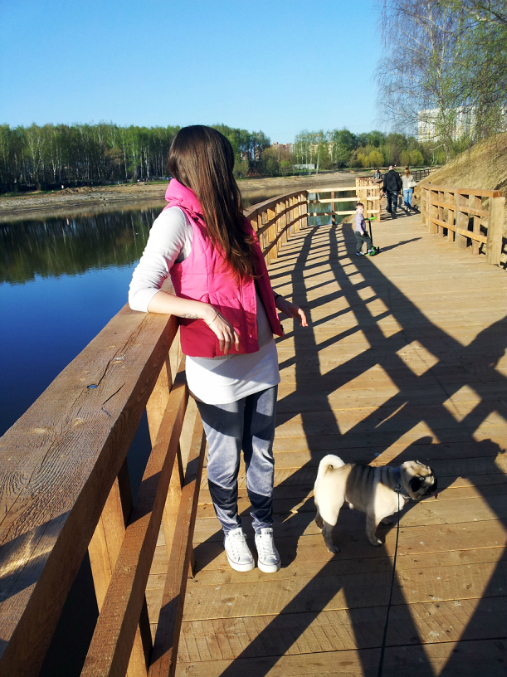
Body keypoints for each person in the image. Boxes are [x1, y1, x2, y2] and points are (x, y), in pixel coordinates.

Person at [128, 125, 308, 574]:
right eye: (225, 162)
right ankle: (231, 528)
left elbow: (244, 279)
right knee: (225, 460)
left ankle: (263, 526)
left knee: (262, 453)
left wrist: (277, 302)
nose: (231, 170)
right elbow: (139, 292)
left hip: (261, 357)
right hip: (217, 370)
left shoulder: (230, 215)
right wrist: (203, 311)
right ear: (209, 165)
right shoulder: (176, 221)